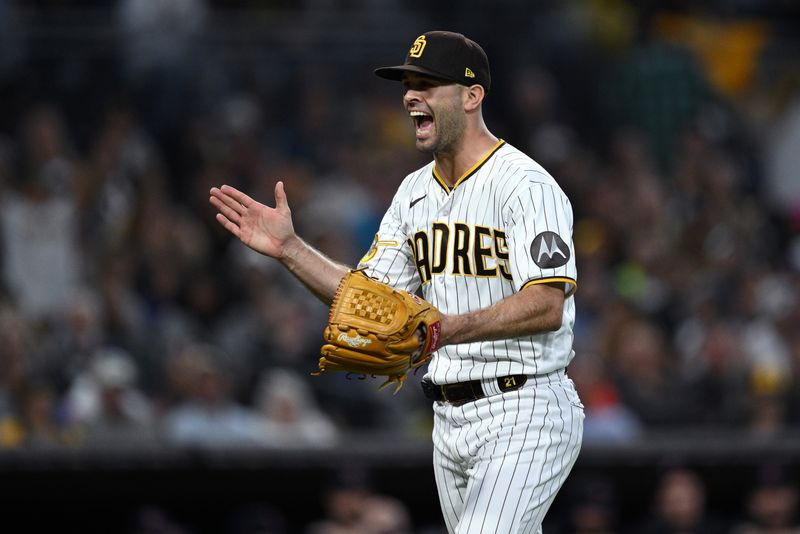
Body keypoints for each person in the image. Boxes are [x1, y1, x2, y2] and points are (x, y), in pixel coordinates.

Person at [210, 30, 584, 534]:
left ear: (472, 96)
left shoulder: (526, 186)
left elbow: (546, 304)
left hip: (527, 405)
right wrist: (291, 251)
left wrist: (444, 330)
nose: (411, 95)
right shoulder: (413, 193)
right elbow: (369, 301)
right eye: (409, 83)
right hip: (448, 418)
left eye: (428, 83)